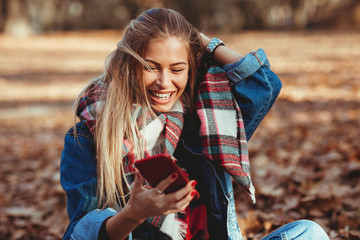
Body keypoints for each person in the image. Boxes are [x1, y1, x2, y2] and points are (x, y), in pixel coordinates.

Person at [60, 8, 330, 240]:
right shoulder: (90, 135)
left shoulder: (207, 120)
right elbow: (79, 233)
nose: (164, 82)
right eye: (151, 67)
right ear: (129, 65)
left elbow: (263, 84)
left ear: (191, 67)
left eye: (177, 69)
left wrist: (200, 42)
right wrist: (134, 214)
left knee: (310, 232)